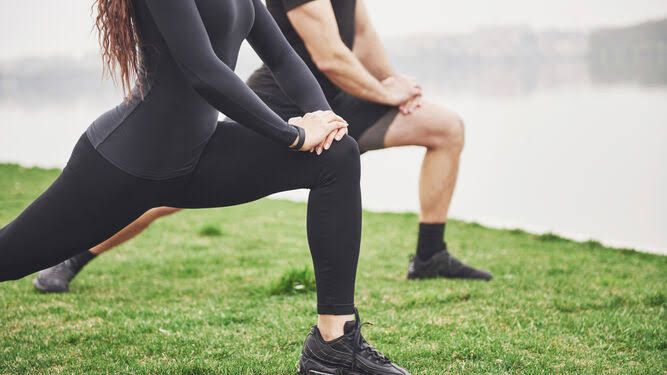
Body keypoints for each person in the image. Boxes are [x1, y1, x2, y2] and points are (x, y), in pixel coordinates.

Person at [1, 0, 409, 373]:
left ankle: (334, 343)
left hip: (196, 158)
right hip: (124, 164)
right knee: (11, 258)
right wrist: (292, 135)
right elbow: (203, 70)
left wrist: (324, 118)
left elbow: (284, 56)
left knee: (338, 156)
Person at [34, 0, 492, 293]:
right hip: (285, 99)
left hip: (346, 97)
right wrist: (383, 92)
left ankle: (429, 255)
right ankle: (78, 254)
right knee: (169, 193)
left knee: (445, 127)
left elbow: (363, 37)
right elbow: (329, 56)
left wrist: (391, 82)